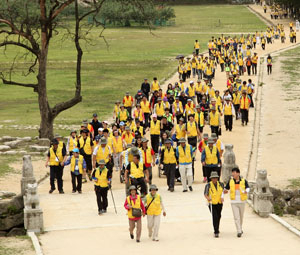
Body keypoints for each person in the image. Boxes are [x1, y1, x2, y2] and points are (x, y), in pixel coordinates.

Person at [224, 168, 250, 238]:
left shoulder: (244, 181)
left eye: (234, 173)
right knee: (236, 217)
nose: (233, 174)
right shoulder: (230, 181)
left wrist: (246, 191)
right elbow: (226, 188)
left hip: (242, 201)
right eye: (232, 173)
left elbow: (248, 188)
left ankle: (240, 228)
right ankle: (239, 231)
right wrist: (224, 191)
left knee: (241, 216)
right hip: (234, 201)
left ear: (238, 173)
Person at [204, 171, 224, 238]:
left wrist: (222, 197)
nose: (214, 179)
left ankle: (217, 227)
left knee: (219, 216)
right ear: (211, 179)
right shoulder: (208, 185)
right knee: (214, 216)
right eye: (213, 178)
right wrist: (208, 198)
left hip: (219, 202)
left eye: (215, 178)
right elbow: (205, 194)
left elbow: (223, 192)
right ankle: (216, 231)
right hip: (212, 203)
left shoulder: (221, 184)